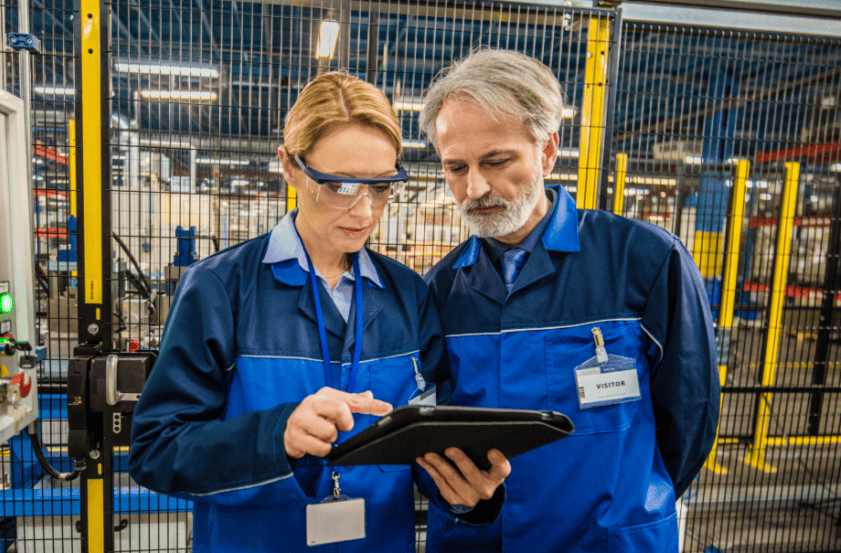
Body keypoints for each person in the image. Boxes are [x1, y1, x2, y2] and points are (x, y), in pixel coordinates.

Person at [129, 72, 508, 553]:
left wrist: (465, 493)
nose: (365, 211)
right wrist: (275, 434)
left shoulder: (408, 295)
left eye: (382, 187)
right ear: (290, 166)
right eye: (340, 186)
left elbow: (424, 443)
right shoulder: (221, 289)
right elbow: (156, 450)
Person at [417, 49, 720, 552]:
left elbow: (688, 416)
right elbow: (429, 433)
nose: (474, 188)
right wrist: (467, 500)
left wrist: (631, 504)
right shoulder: (440, 290)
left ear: (548, 149)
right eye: (456, 167)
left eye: (497, 161)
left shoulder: (642, 261)